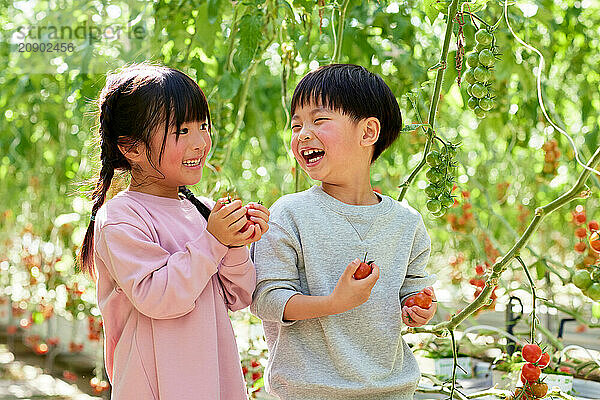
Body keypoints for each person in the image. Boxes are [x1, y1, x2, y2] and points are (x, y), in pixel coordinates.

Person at [77, 63, 269, 399]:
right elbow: (158, 297)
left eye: (203, 126)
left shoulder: (203, 210)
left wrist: (236, 243)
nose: (200, 142)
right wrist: (214, 241)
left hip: (214, 383)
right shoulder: (121, 217)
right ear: (131, 147)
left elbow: (238, 296)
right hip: (153, 389)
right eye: (181, 131)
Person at [250, 64, 437, 400]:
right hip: (310, 393)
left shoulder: (406, 223)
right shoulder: (288, 215)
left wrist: (418, 306)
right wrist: (334, 302)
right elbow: (267, 299)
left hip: (392, 391)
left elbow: (414, 290)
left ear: (368, 133)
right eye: (296, 126)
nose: (303, 134)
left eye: (319, 120)